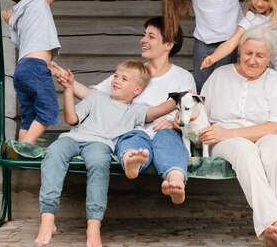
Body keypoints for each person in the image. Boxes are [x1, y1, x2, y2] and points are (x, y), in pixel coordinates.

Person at [35, 60, 176, 247]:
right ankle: (48, 217)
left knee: (99, 163)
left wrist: (180, 98)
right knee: (54, 152)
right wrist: (68, 89)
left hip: (100, 145)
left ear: (137, 90)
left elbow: (158, 110)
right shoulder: (96, 97)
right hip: (73, 137)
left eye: (124, 79)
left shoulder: (134, 111)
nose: (116, 80)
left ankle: (94, 225)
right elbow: (71, 119)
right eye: (116, 75)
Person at [52, 16, 195, 205]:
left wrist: (174, 123)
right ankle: (131, 162)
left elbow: (190, 112)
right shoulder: (133, 74)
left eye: (151, 36)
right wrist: (65, 79)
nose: (143, 40)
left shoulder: (182, 77)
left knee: (169, 142)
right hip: (132, 131)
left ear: (168, 44)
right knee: (130, 141)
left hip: (166, 132)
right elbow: (92, 96)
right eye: (144, 35)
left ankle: (176, 181)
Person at [199, 26, 277, 247]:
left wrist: (231, 132)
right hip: (224, 141)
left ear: (270, 58)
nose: (252, 60)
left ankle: (272, 230)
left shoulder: (275, 81)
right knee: (244, 150)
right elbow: (200, 114)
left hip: (260, 135)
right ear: (240, 51)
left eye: (260, 55)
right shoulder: (220, 75)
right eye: (248, 53)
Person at [1, 0, 61, 146]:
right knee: (49, 111)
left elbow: (16, 41)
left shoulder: (18, 13)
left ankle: (20, 146)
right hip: (36, 67)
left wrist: (10, 24)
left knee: (29, 114)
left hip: (22, 70)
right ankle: (25, 147)